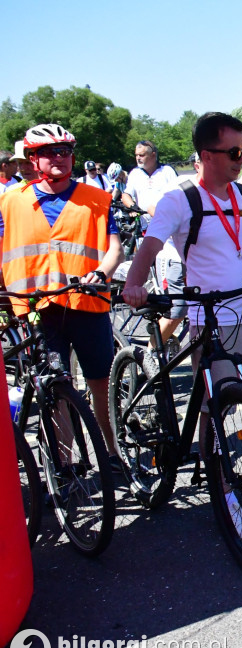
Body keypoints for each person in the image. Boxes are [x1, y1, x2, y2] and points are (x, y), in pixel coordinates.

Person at [122, 112, 242, 536]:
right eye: (235, 151)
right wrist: (134, 284)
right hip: (209, 318)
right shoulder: (179, 200)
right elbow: (149, 246)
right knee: (218, 410)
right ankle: (225, 494)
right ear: (206, 155)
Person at [0, 124, 122, 453]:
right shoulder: (10, 203)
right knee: (55, 388)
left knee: (101, 384)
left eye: (65, 152)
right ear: (32, 159)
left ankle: (112, 452)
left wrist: (102, 271)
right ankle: (65, 465)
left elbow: (115, 249)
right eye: (50, 153)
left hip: (88, 302)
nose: (60, 158)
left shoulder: (97, 199)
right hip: (38, 309)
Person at [123, 139, 185, 343]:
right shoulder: (134, 174)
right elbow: (126, 195)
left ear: (153, 155)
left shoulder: (167, 172)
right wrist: (132, 207)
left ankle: (166, 333)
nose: (138, 158)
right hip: (151, 234)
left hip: (172, 233)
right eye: (136, 155)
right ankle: (153, 349)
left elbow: (179, 194)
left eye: (142, 154)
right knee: (173, 302)